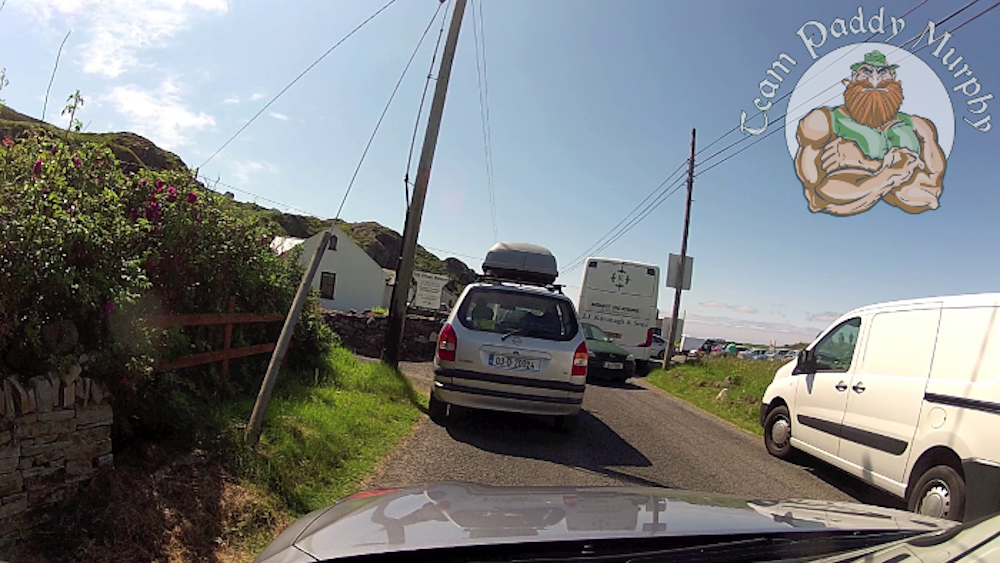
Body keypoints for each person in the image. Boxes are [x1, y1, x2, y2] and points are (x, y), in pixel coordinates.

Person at [794, 51, 946, 216]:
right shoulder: (822, 121)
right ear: (854, 77)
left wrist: (864, 163)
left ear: (893, 76)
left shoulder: (920, 126)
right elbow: (819, 196)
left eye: (882, 72)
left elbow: (931, 193)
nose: (874, 80)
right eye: (866, 71)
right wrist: (898, 171)